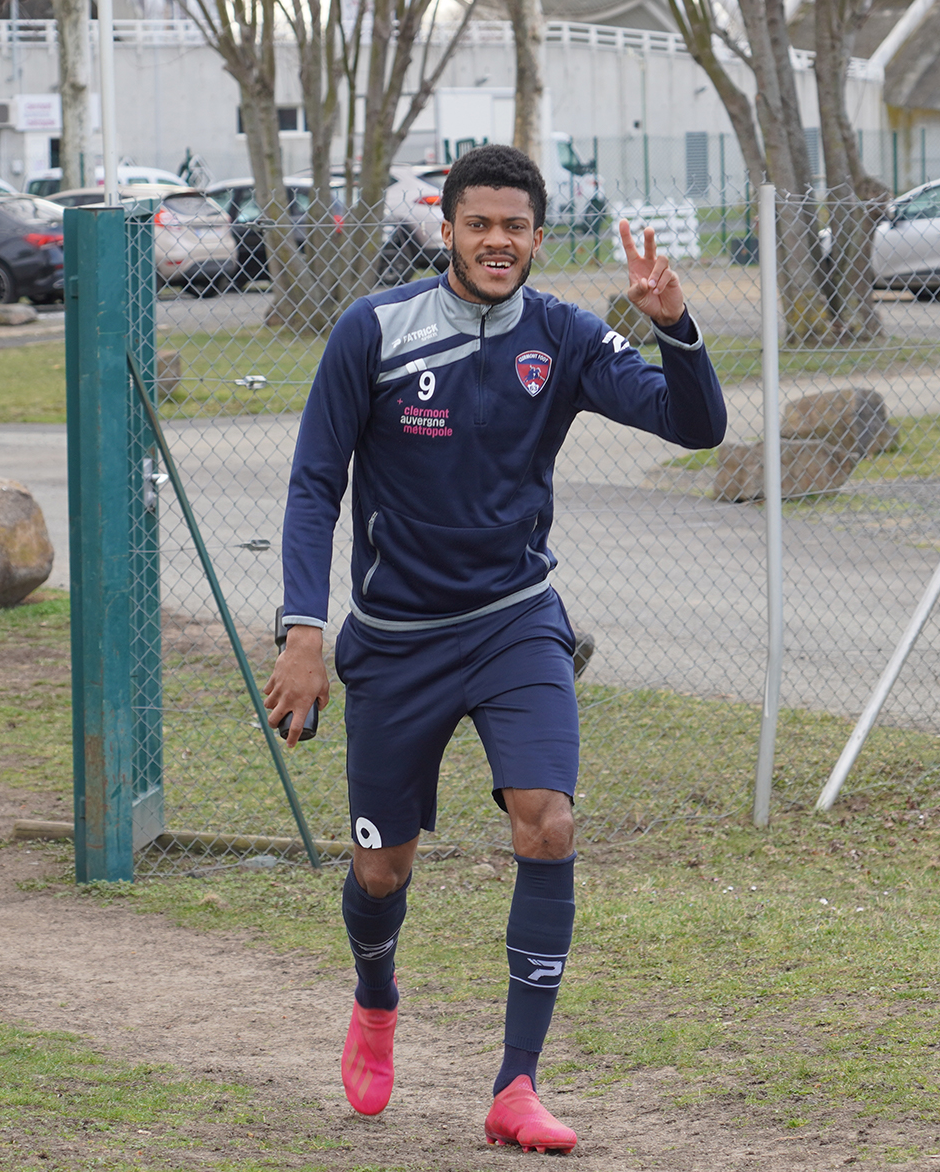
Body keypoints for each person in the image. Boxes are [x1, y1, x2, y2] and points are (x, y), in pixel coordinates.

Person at [263, 144, 726, 1152]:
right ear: (448, 229)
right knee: (381, 869)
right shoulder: (373, 331)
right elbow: (313, 486)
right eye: (479, 224)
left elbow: (694, 427)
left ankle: (516, 1086)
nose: (497, 242)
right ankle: (376, 996)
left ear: (536, 236)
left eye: (515, 226)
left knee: (546, 822)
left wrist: (674, 328)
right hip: (393, 642)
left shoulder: (562, 337)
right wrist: (304, 630)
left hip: (515, 620)